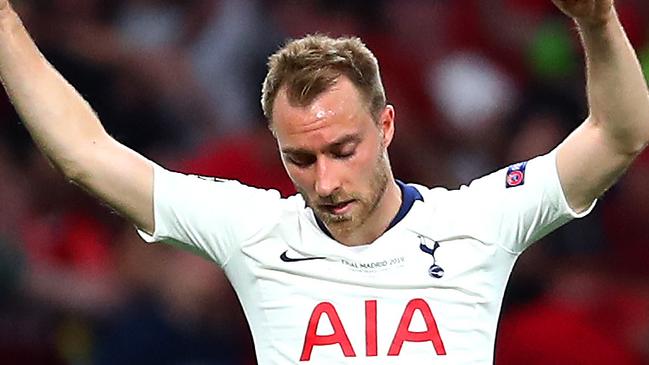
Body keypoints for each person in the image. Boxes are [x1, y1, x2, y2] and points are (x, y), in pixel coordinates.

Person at [0, 0, 647, 363]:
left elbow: (618, 136)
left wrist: (596, 23)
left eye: (344, 149)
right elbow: (83, 153)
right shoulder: (254, 226)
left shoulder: (474, 219)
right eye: (300, 159)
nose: (328, 180)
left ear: (386, 125)